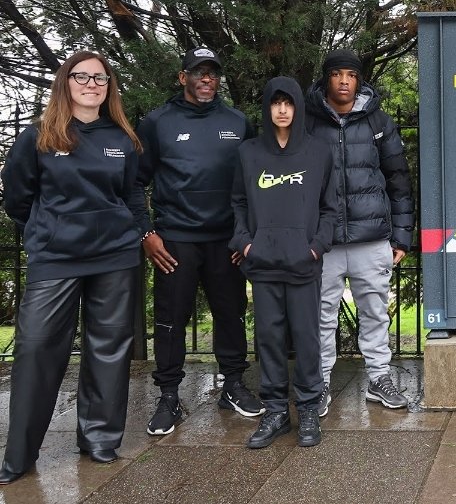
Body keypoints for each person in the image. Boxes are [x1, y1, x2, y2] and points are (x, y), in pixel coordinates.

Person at [0, 51, 144, 484]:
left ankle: (99, 439)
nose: (90, 83)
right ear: (65, 83)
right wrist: (51, 229)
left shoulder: (122, 137)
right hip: (56, 259)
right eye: (80, 76)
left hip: (115, 258)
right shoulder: (40, 136)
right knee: (38, 350)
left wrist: (135, 229)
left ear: (109, 87)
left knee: (108, 349)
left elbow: (133, 193)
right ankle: (20, 455)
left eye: (100, 78)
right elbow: (18, 199)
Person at [134, 46, 263, 436]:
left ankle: (234, 385)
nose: (206, 79)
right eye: (198, 72)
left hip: (225, 240)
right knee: (172, 320)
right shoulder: (157, 123)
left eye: (212, 73)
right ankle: (169, 396)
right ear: (182, 77)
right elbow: (134, 183)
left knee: (231, 313)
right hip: (175, 240)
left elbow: (254, 185)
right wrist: (147, 233)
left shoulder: (237, 122)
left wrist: (246, 235)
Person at [305, 48, 415, 416]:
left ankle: (379, 379)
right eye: (337, 74)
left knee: (375, 313)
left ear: (359, 80)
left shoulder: (377, 120)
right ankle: (318, 383)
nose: (344, 82)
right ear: (327, 78)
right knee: (320, 314)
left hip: (372, 238)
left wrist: (402, 235)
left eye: (351, 75)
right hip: (324, 241)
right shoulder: (307, 121)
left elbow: (398, 179)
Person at [231, 76, 338, 449]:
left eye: (288, 102)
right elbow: (238, 202)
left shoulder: (318, 150)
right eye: (275, 103)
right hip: (262, 262)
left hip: (303, 263)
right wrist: (246, 245)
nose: (281, 110)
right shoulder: (248, 153)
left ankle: (308, 408)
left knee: (307, 338)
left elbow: (330, 207)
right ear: (267, 107)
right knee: (270, 339)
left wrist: (315, 247)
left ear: (297, 107)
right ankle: (275, 411)